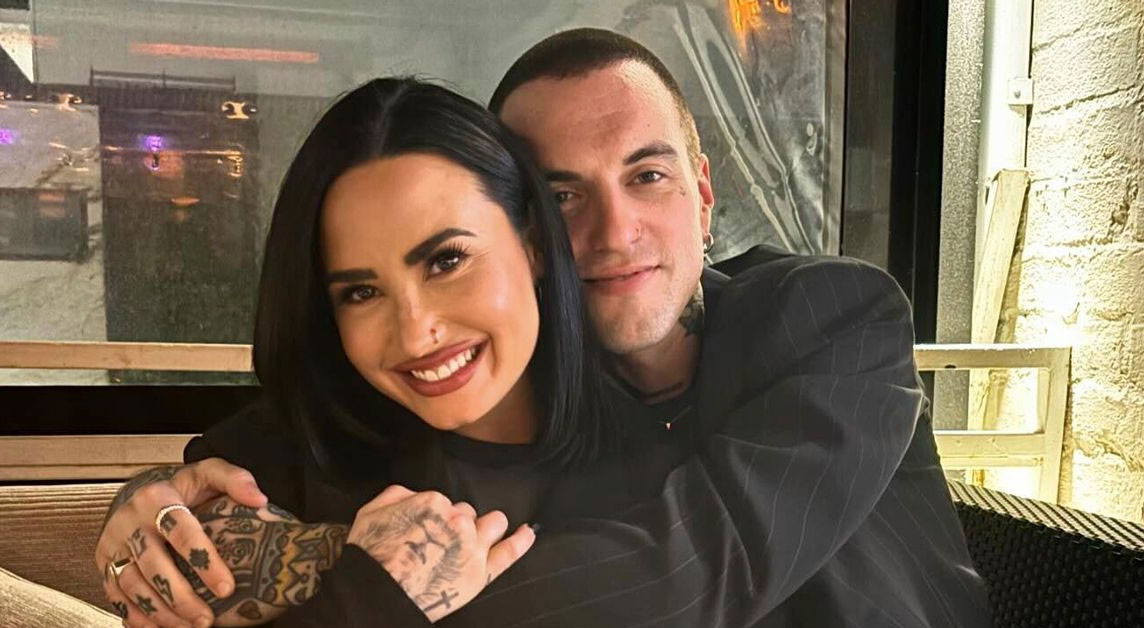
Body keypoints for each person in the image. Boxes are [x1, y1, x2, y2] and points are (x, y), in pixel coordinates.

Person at [96, 29, 989, 628]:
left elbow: (699, 566)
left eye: (647, 176)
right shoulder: (528, 385)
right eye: (563, 195)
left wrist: (375, 591)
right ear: (527, 235)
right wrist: (142, 500)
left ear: (704, 192)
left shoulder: (831, 316)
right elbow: (256, 454)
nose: (613, 232)